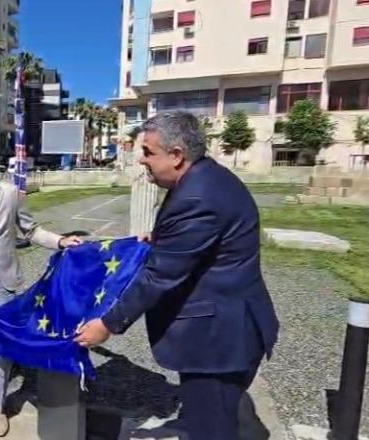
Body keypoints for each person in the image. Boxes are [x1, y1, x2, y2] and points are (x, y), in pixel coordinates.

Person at [75, 112, 279, 440]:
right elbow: (198, 243)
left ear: (177, 155)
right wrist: (160, 240)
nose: (142, 160)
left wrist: (107, 324)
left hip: (217, 342)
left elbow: (159, 277)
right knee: (204, 417)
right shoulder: (204, 177)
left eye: (148, 152)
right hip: (221, 330)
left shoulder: (197, 197)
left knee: (211, 429)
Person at [0, 136, 82, 437]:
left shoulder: (9, 194)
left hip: (2, 282)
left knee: (1, 350)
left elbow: (31, 230)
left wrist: (61, 241)